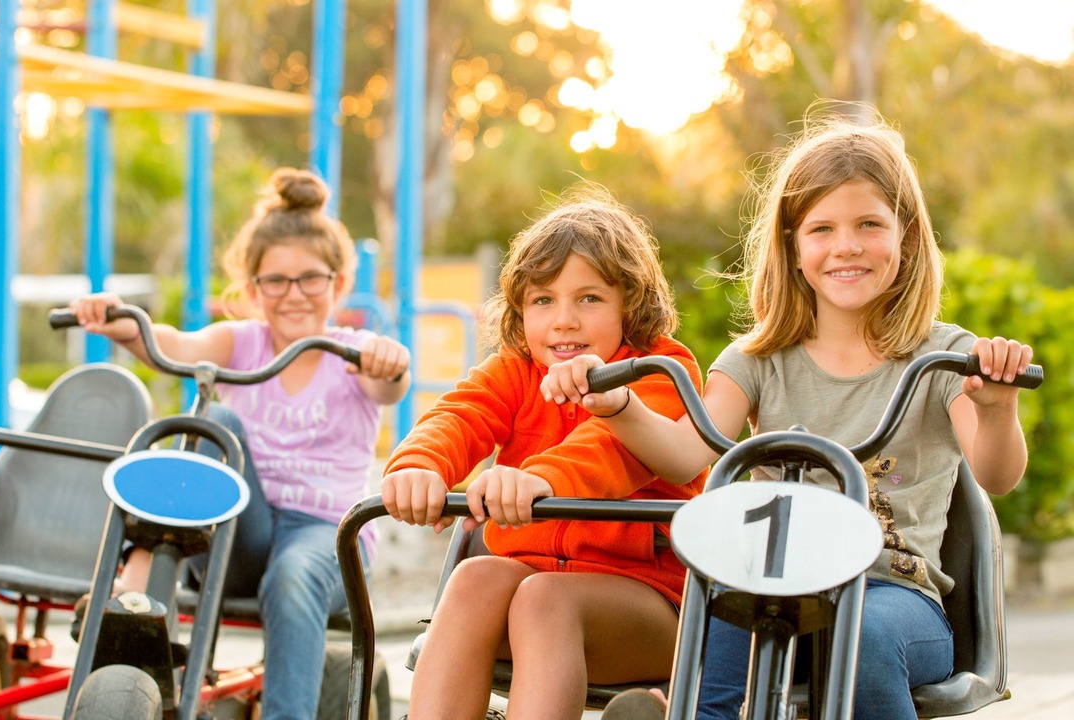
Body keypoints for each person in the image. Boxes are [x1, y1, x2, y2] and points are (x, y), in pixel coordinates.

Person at [544, 113, 1035, 720]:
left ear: (904, 237)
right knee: (721, 613)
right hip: (772, 584)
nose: (846, 246)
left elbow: (997, 475)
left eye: (868, 225)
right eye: (822, 229)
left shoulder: (946, 358)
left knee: (864, 638)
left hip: (894, 597)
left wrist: (996, 407)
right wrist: (621, 404)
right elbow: (683, 452)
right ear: (793, 247)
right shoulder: (756, 361)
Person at [69, 167, 411, 720]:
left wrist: (390, 361)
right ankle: (137, 593)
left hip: (322, 538)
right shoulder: (241, 342)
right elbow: (177, 345)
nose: (293, 294)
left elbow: (389, 383)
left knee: (294, 574)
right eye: (275, 281)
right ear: (254, 289)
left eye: (310, 279)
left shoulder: (354, 352)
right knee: (217, 418)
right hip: (239, 535)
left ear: (339, 283)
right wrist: (124, 324)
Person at [381, 189, 708, 720]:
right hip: (524, 587)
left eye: (589, 298)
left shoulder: (661, 371)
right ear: (520, 309)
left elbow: (611, 451)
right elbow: (460, 416)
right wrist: (420, 465)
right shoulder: (514, 371)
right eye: (542, 300)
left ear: (631, 302)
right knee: (474, 576)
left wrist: (540, 480)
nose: (563, 320)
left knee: (544, 599)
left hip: (644, 603)